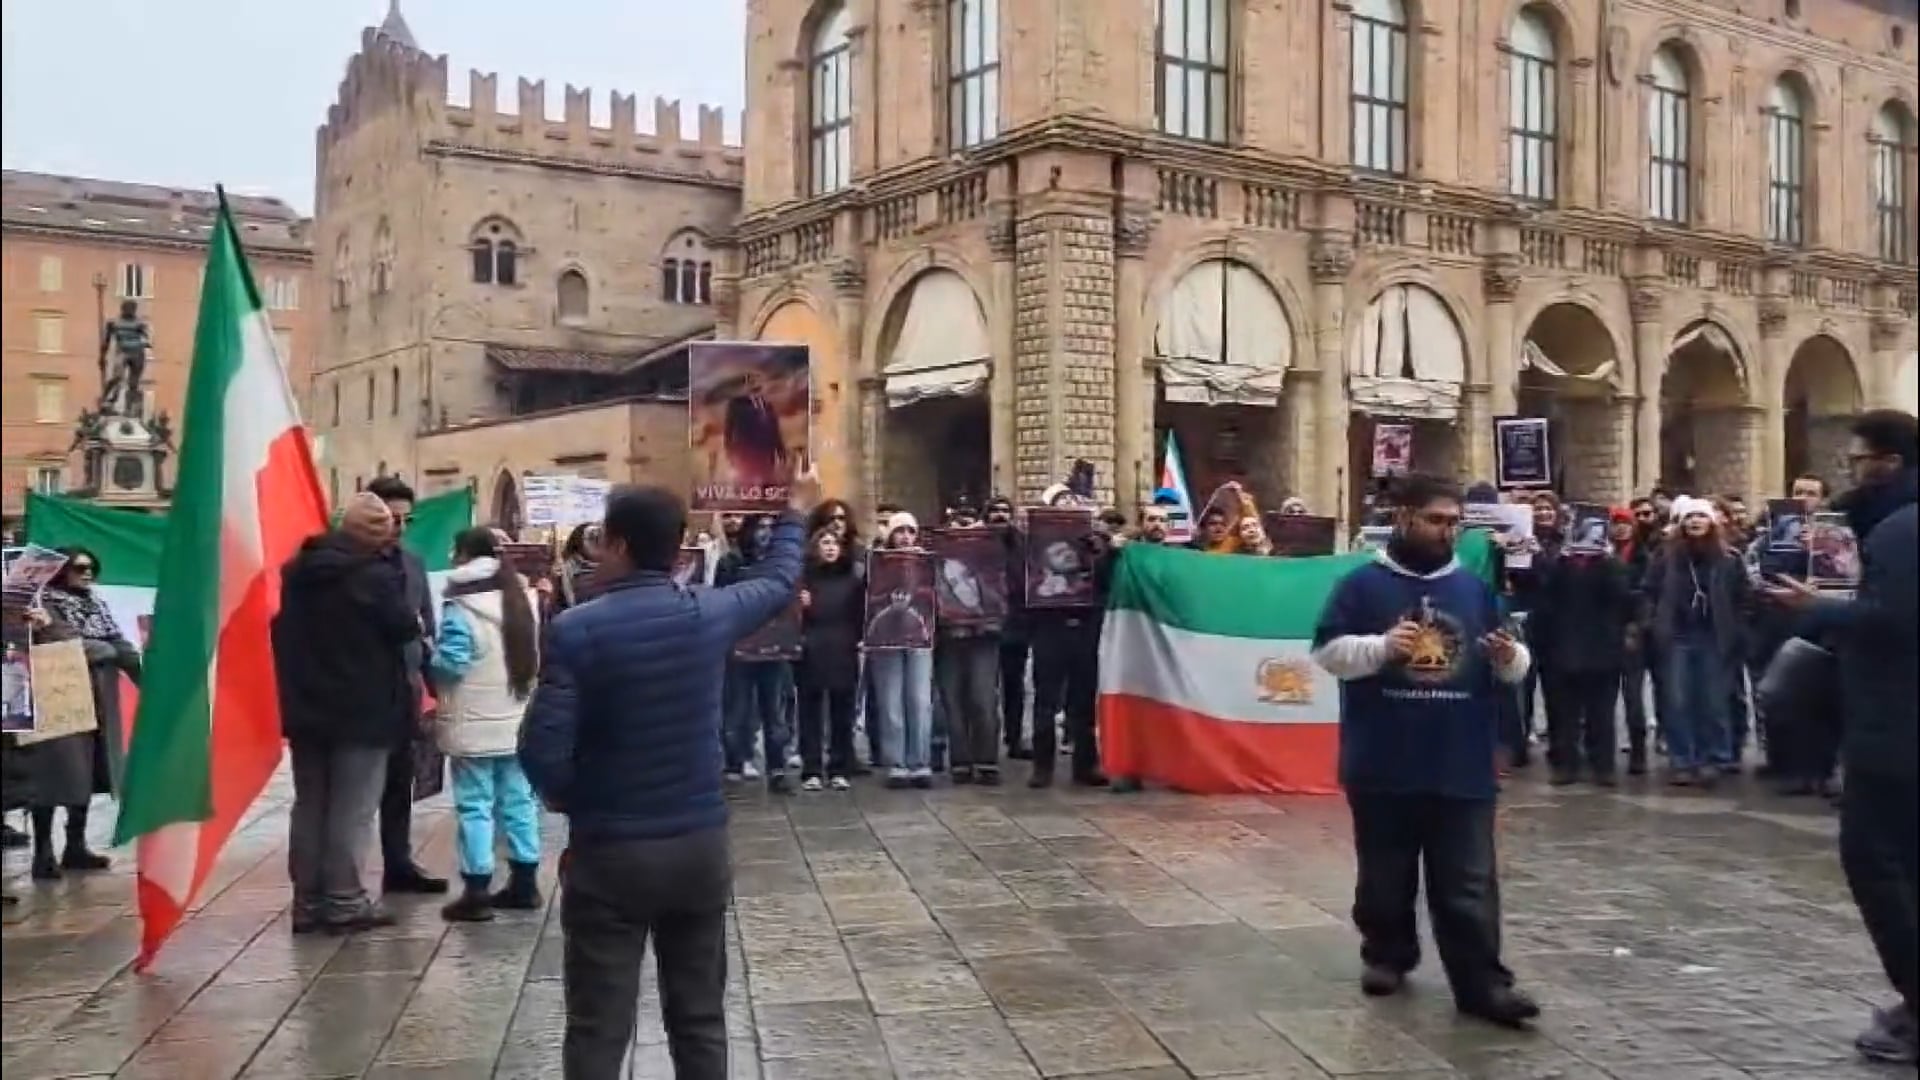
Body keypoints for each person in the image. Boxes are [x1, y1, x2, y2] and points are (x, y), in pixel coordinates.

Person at [520, 470, 815, 1080]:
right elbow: (781, 578)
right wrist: (795, 512)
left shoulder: (576, 629)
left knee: (599, 1026)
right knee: (700, 1017)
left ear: (620, 545)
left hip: (612, 851)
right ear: (677, 548)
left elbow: (542, 748)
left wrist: (573, 799)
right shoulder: (708, 613)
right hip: (697, 847)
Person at [1311, 473, 1538, 1028]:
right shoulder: (1362, 586)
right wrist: (1383, 648)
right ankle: (1387, 954)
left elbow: (1516, 666)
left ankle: (1482, 983)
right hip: (1383, 756)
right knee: (1385, 872)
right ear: (1404, 517)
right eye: (1437, 519)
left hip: (1460, 758)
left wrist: (1509, 655)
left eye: (1455, 522)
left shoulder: (1474, 589)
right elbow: (1328, 652)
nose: (1448, 531)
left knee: (1468, 879)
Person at [1763, 409, 1917, 1065]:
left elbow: (1894, 620)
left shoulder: (1904, 529)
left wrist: (1816, 608)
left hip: (1896, 729)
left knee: (1875, 860)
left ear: (1887, 462)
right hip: (1893, 723)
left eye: (1856, 461)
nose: (1849, 473)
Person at [273, 493, 423, 934]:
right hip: (363, 708)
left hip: (305, 707)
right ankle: (343, 900)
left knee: (311, 804)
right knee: (352, 808)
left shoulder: (297, 571)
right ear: (374, 537)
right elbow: (404, 626)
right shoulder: (373, 577)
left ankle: (307, 901)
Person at [430, 528, 544, 923]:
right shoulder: (524, 598)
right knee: (518, 800)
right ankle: (525, 883)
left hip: (473, 722)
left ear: (463, 554)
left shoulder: (462, 607)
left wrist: (430, 654)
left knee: (475, 804)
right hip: (517, 718)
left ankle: (477, 890)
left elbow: (452, 664)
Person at [15, 548, 139, 880]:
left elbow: (119, 644)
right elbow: (65, 641)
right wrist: (105, 650)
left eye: (92, 568)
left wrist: (149, 679)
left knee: (87, 772)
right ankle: (43, 852)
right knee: (53, 775)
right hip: (58, 699)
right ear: (61, 571)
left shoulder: (95, 604)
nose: (87, 574)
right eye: (79, 568)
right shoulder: (41, 602)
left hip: (99, 698)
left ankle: (75, 844)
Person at [365, 476, 448, 896]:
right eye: (391, 518)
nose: (399, 526)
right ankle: (344, 878)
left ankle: (398, 865)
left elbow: (426, 627)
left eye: (406, 519)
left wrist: (436, 687)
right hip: (364, 692)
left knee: (401, 784)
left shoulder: (413, 564)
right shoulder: (355, 565)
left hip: (407, 689)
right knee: (360, 790)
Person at [1643, 496, 1749, 787]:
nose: (1695, 522)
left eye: (1701, 517)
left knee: (1713, 700)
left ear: (1711, 522)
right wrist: (1652, 623)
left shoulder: (1729, 558)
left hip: (1714, 635)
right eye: (1690, 518)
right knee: (1678, 700)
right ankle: (1683, 759)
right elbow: (1649, 592)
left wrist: (1738, 630)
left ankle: (1715, 756)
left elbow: (1743, 598)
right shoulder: (1665, 557)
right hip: (1677, 635)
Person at [1533, 535, 1635, 787]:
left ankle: (1603, 766)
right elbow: (1545, 597)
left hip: (1602, 647)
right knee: (1564, 713)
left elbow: (1622, 597)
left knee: (1601, 713)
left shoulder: (1610, 565)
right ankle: (1566, 765)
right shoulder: (1560, 564)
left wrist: (1607, 559)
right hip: (1563, 646)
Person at [716, 514, 794, 792]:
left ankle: (776, 767)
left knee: (774, 710)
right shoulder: (731, 562)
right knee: (737, 708)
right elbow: (720, 600)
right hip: (740, 646)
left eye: (772, 528)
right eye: (760, 527)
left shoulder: (780, 564)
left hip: (774, 646)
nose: (766, 533)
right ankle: (735, 762)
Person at [868, 513, 936, 789]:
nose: (906, 536)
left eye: (911, 530)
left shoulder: (926, 562)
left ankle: (919, 761)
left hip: (919, 636)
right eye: (900, 531)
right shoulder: (878, 564)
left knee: (919, 700)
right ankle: (896, 762)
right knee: (890, 701)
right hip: (886, 638)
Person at [796, 528, 862, 791]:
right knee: (810, 711)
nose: (831, 547)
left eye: (835, 542)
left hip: (843, 647)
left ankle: (839, 767)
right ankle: (811, 768)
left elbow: (859, 613)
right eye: (825, 542)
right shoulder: (804, 578)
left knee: (842, 711)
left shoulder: (852, 578)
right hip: (812, 647)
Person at [986, 496, 1033, 761]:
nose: (1000, 516)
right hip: (984, 625)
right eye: (995, 511)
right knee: (985, 688)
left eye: (1005, 511)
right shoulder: (976, 543)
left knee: (1014, 685)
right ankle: (985, 741)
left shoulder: (1022, 543)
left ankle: (1014, 738)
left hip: (1015, 624)